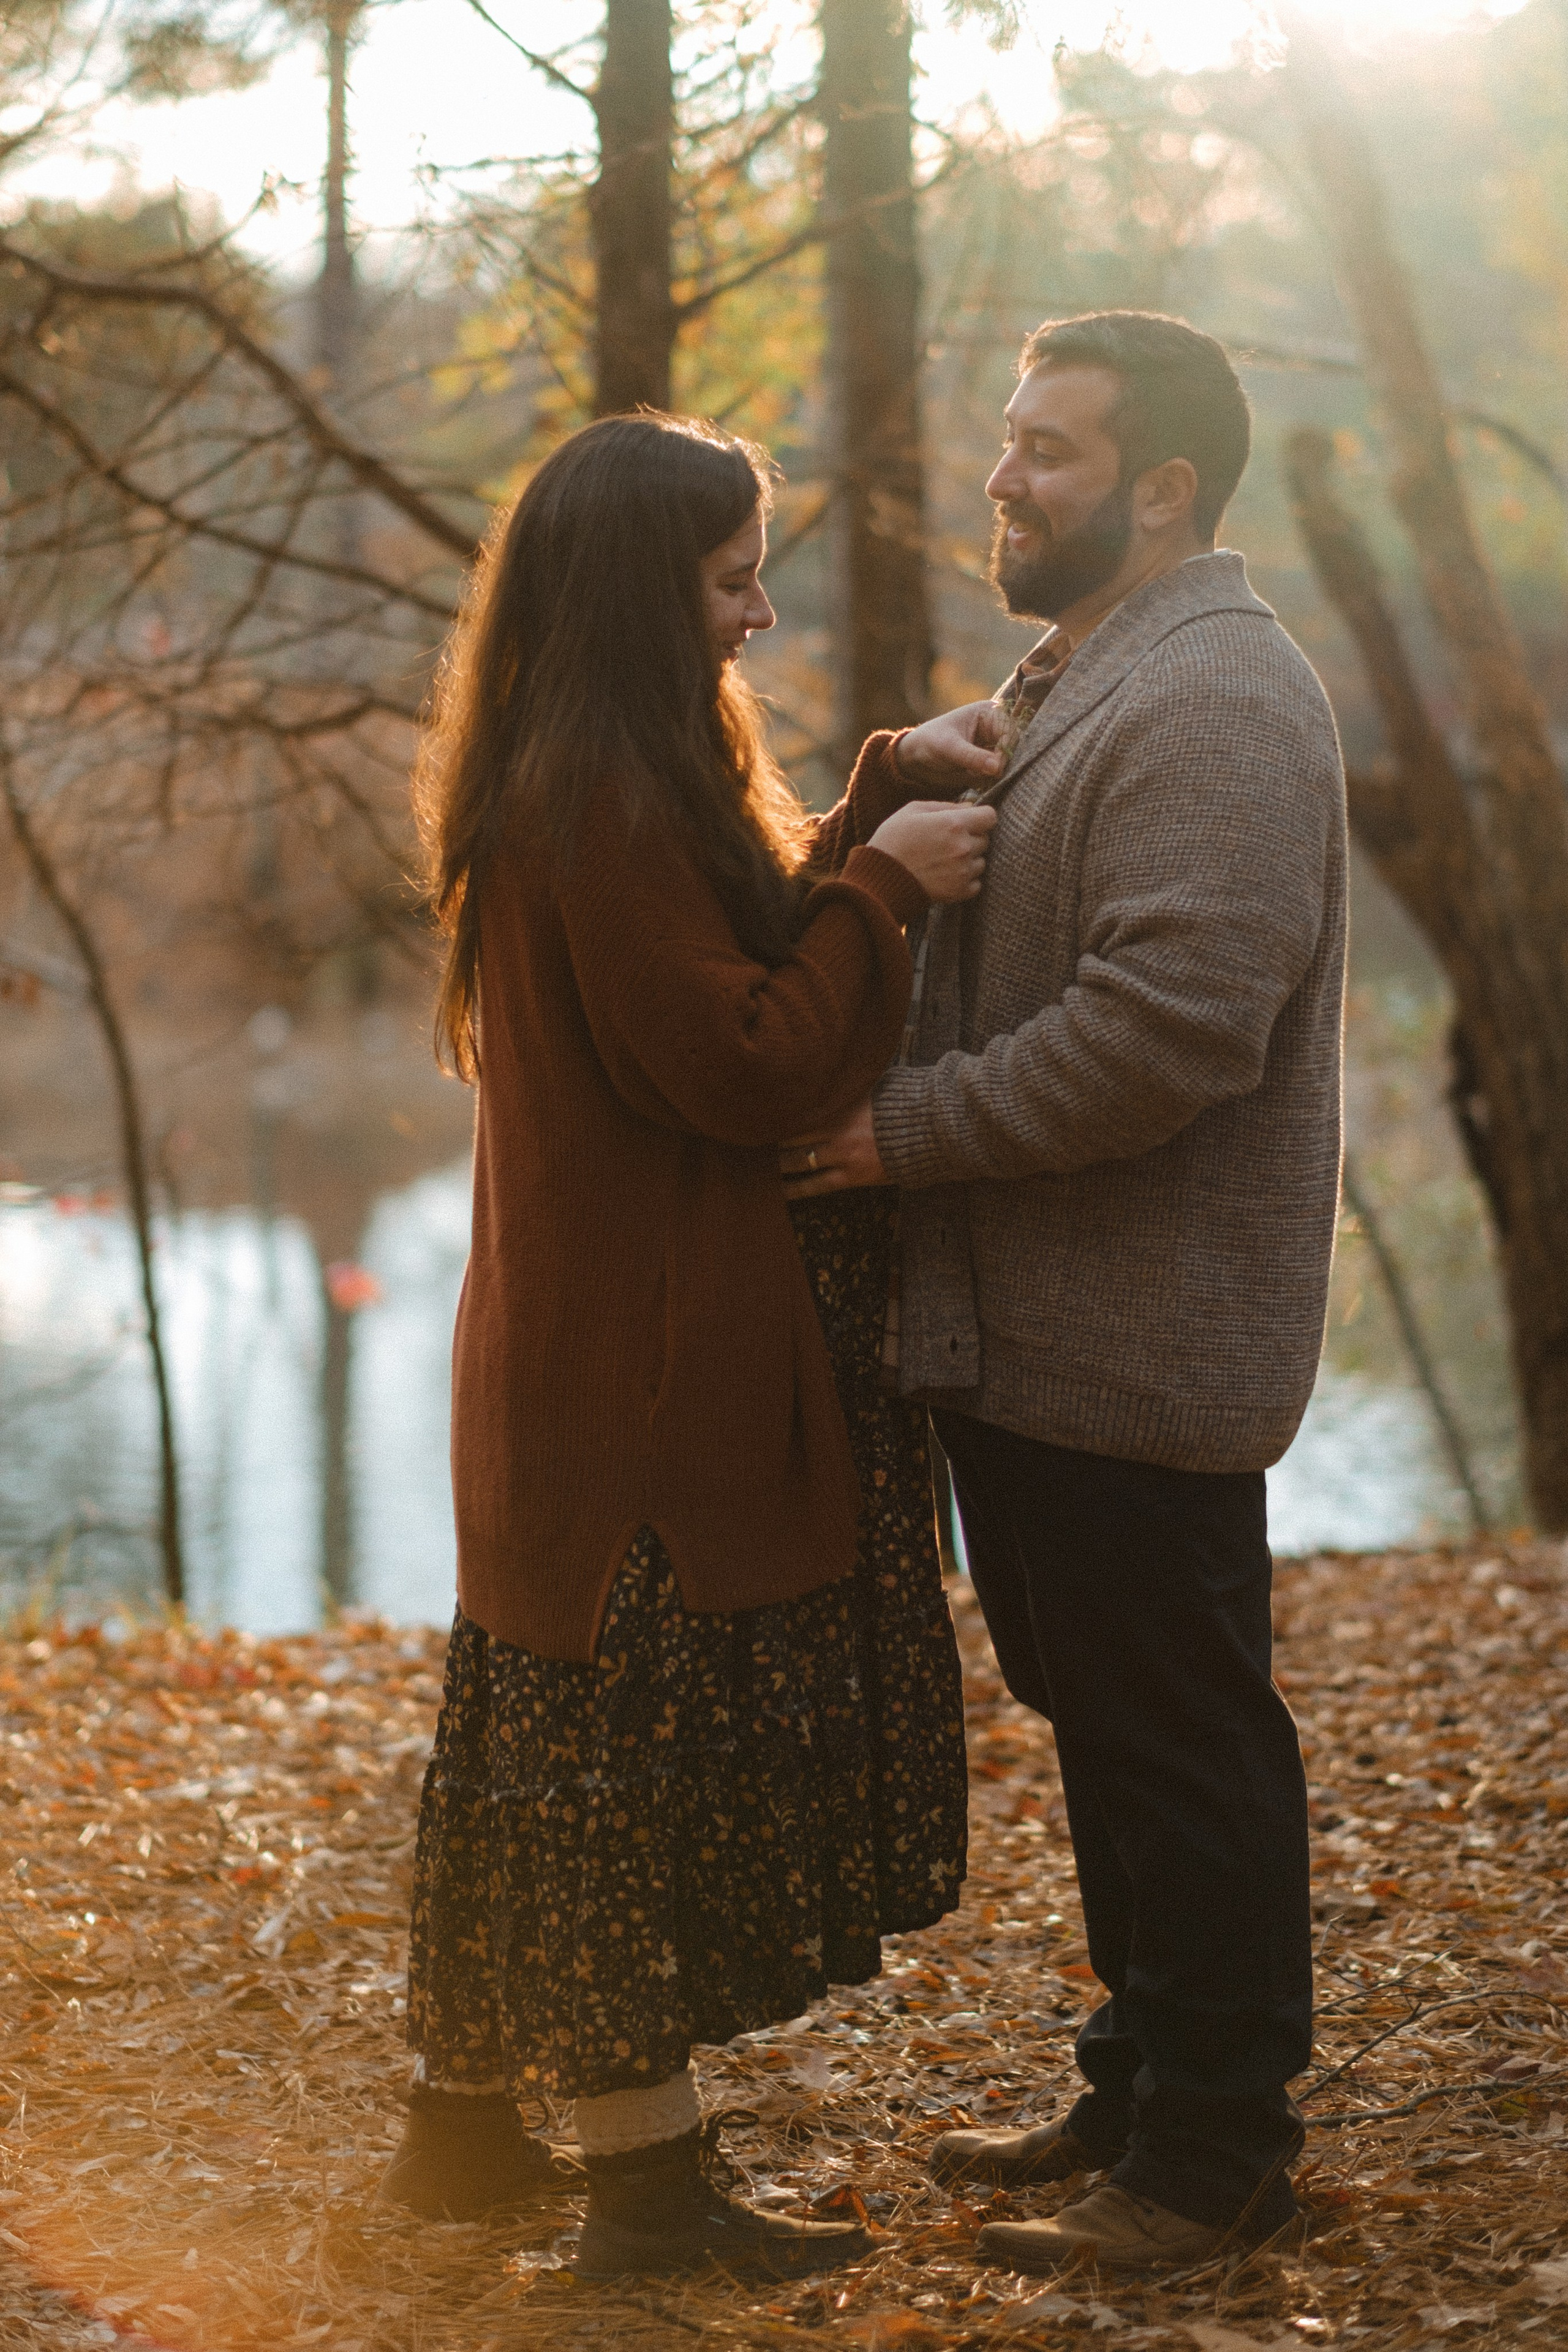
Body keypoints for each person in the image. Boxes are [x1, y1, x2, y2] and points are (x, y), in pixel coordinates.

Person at [380, 412, 993, 2282]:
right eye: (732, 579)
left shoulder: (598, 775)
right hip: (635, 1368)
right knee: (615, 1788)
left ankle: (462, 2145)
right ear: (648, 590)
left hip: (575, 1356)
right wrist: (889, 888)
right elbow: (744, 1053)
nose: (760, 610)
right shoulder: (597, 801)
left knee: (534, 1744)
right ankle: (646, 2203)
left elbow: (723, 921)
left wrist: (876, 789)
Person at [785, 312, 1347, 2274]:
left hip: (1142, 1339)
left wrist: (896, 1134)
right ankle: (1140, 2078)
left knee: (1179, 1730)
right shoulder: (1092, 674)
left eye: (1053, 449)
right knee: (1110, 1718)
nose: (1005, 478)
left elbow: (1171, 1032)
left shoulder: (1218, 703)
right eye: (1011, 439)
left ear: (1168, 486)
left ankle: (1214, 2160)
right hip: (1038, 1342)